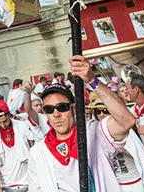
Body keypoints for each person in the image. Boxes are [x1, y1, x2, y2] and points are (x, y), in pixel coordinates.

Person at [31, 56, 136, 192]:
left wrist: (93, 80)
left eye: (62, 107)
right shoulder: (38, 152)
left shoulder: (94, 131)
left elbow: (126, 121)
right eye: (49, 110)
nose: (56, 114)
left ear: (73, 108)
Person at [89, 100, 144, 192]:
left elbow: (140, 155)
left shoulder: (127, 131)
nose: (101, 115)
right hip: (114, 184)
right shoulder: (93, 132)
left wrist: (123, 150)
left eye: (105, 111)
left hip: (135, 182)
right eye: (98, 112)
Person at [0, 99, 38, 192]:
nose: (2, 125)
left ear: (9, 115)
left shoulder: (23, 126)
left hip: (28, 183)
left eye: (5, 121)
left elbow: (35, 153)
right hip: (6, 186)